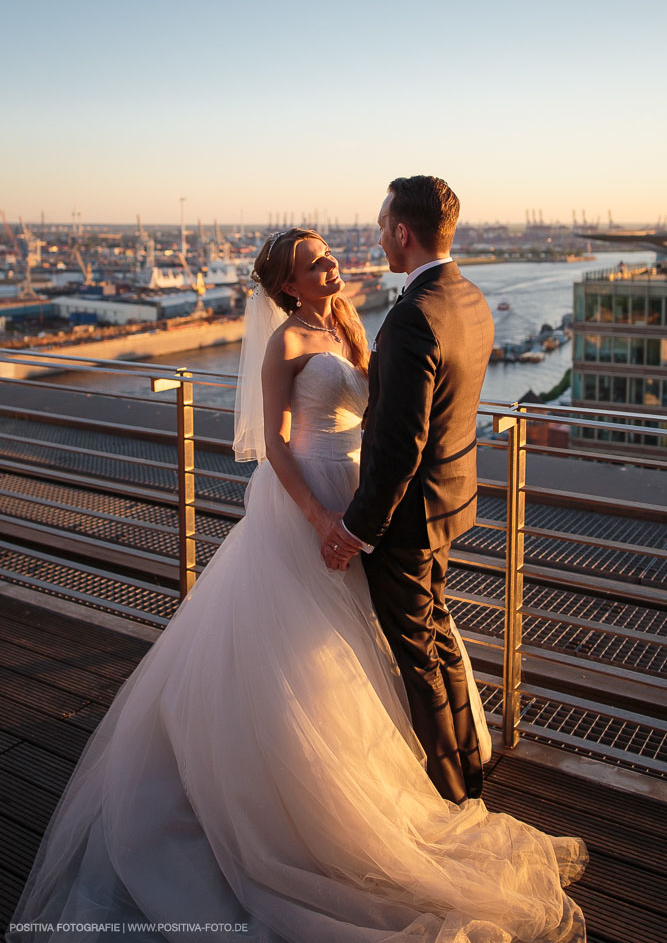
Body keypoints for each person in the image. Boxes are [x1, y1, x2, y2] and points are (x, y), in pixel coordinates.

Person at [8, 226, 587, 943]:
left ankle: (390, 765)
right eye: (313, 263)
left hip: (361, 490)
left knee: (359, 638)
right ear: (287, 284)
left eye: (328, 255)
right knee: (300, 647)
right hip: (309, 496)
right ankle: (295, 787)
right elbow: (275, 441)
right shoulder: (285, 341)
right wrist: (316, 515)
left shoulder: (348, 322)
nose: (330, 266)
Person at [322, 176, 494, 805]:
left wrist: (355, 529)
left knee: (417, 653)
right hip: (452, 503)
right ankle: (471, 763)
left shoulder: (411, 317)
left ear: (402, 231)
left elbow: (398, 449)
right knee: (439, 631)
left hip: (408, 519)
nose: (376, 234)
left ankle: (453, 796)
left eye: (381, 222)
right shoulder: (468, 298)